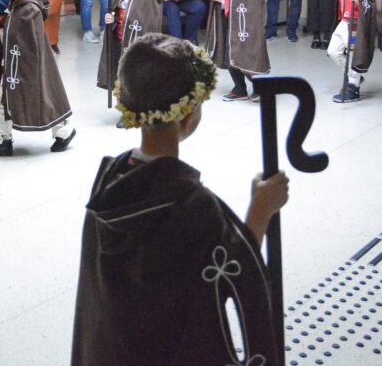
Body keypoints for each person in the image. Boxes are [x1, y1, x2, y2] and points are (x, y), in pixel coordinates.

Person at [71, 33, 288, 365]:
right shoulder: (190, 204)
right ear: (187, 117)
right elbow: (226, 276)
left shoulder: (108, 179)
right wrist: (261, 210)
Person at [0, 0, 75, 158]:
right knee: (4, 101)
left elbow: (30, 42)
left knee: (43, 99)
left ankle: (64, 132)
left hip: (27, 67)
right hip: (13, 66)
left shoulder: (29, 9)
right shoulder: (15, 6)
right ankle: (4, 140)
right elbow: (13, 33)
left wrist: (21, 64)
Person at [98, 0, 164, 118]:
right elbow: (113, 14)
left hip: (139, 44)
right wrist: (109, 19)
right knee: (122, 76)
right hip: (121, 42)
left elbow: (153, 22)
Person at [206, 0, 270, 102]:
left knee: (247, 58)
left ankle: (261, 87)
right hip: (233, 25)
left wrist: (230, 3)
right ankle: (239, 88)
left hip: (246, 28)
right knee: (230, 56)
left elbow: (256, 5)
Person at [326, 0, 376, 103]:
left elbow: (370, 1)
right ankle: (355, 77)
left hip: (355, 23)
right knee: (333, 51)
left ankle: (353, 86)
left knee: (353, 54)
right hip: (344, 21)